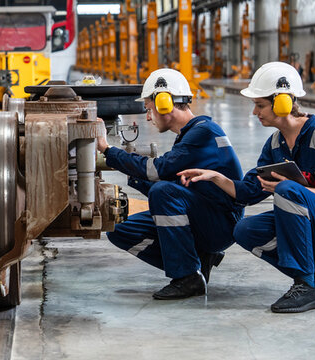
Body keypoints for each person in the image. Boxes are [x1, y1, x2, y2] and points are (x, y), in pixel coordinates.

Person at [178, 62, 315, 313]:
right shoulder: (276, 144)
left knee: (286, 191)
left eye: (259, 105)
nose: (254, 113)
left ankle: (304, 285)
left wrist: (297, 189)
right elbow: (248, 191)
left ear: (282, 103)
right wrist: (214, 176)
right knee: (246, 229)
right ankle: (314, 273)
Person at [96, 69, 244, 300]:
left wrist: (108, 150)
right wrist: (127, 168)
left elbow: (159, 172)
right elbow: (169, 178)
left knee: (163, 192)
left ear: (164, 103)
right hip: (202, 214)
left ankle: (187, 277)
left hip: (220, 223)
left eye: (148, 109)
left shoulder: (203, 132)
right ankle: (198, 260)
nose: (147, 117)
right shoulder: (190, 134)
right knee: (121, 230)